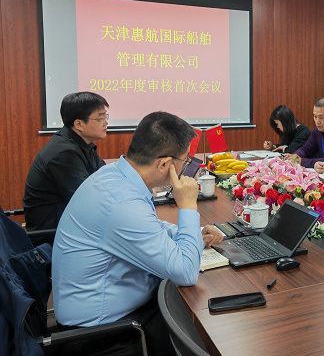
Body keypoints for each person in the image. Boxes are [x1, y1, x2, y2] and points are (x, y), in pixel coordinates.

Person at [52, 111, 224, 356]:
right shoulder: (122, 203)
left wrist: (191, 232)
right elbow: (186, 272)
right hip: (102, 336)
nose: (186, 169)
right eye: (184, 161)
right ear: (164, 164)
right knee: (204, 325)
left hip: (115, 314)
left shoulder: (114, 175)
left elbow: (149, 227)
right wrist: (188, 207)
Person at [23, 91, 109, 231]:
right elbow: (87, 199)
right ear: (79, 124)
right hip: (53, 232)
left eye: (106, 117)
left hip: (70, 222)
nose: (106, 122)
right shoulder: (63, 153)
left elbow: (104, 176)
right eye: (101, 118)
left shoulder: (84, 144)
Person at [283, 98, 324, 168]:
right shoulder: (317, 130)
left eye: (321, 117)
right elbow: (306, 149)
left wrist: (302, 161)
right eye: (315, 116)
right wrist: (295, 156)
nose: (317, 121)